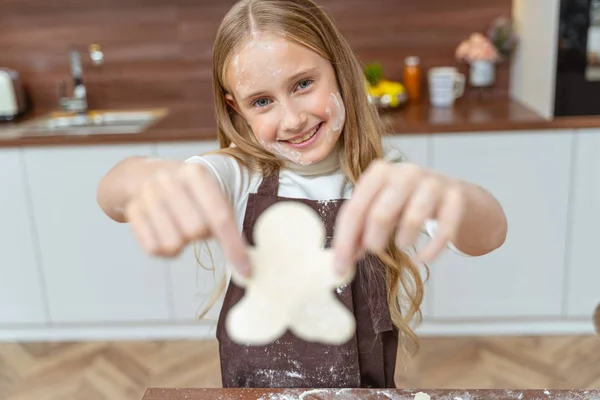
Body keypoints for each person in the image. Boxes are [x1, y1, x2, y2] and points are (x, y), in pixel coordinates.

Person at [96, 0, 507, 389]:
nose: (292, 119)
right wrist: (149, 178)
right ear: (236, 109)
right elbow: (113, 195)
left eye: (304, 83)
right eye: (261, 101)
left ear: (340, 71)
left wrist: (450, 194)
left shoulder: (385, 178)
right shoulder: (240, 175)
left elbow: (489, 235)